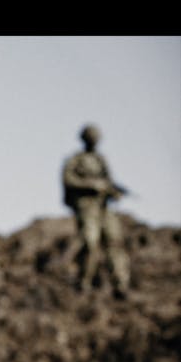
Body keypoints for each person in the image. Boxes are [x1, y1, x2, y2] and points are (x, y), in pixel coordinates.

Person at [62, 123, 131, 299]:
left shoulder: (101, 160)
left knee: (114, 243)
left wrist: (114, 192)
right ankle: (84, 282)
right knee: (90, 242)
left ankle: (121, 284)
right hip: (87, 207)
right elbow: (69, 180)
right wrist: (92, 185)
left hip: (104, 207)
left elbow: (108, 182)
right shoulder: (75, 160)